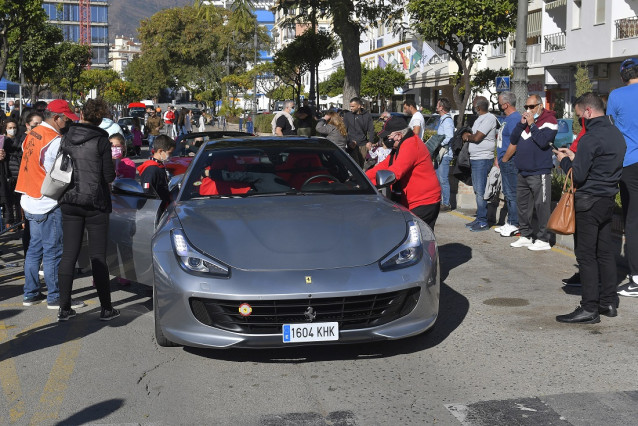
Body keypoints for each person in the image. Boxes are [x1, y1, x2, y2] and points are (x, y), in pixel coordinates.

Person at [554, 93, 625, 323]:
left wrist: (564, 160)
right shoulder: (616, 134)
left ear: (587, 111)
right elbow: (600, 163)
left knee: (586, 256)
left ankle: (589, 308)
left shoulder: (590, 137)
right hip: (607, 200)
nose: (579, 121)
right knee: (605, 253)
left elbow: (579, 175)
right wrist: (577, 155)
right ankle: (608, 302)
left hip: (588, 202)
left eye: (579, 116)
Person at [16, 100, 84, 309]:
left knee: (34, 249)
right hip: (46, 201)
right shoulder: (54, 140)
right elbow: (58, 173)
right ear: (56, 117)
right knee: (53, 251)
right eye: (66, 119)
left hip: (29, 198)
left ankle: (30, 293)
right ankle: (55, 297)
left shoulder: (32, 133)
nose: (67, 123)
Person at [56, 98, 118, 321]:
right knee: (97, 256)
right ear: (101, 118)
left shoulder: (67, 136)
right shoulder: (102, 141)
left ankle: (63, 308)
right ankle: (106, 308)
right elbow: (108, 176)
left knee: (69, 254)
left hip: (69, 200)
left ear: (81, 114)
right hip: (95, 203)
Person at [365, 116, 442, 230]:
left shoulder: (410, 144)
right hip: (413, 201)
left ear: (398, 135)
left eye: (388, 136)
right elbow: (384, 165)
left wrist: (375, 181)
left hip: (423, 202)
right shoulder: (400, 146)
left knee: (417, 238)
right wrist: (363, 178)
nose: (386, 140)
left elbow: (396, 172)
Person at [505, 94, 557, 250]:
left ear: (540, 106)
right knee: (523, 206)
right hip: (523, 170)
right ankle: (526, 235)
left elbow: (543, 142)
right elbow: (513, 139)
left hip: (539, 170)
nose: (528, 110)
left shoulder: (550, 121)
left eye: (532, 107)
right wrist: (522, 124)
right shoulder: (525, 122)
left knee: (542, 206)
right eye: (526, 107)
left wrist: (532, 124)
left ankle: (544, 239)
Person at [607, 57, 638, 296]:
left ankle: (636, 279)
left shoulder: (617, 96)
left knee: (632, 220)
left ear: (622, 76)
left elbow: (611, 131)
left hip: (629, 164)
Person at [462, 96, 498, 232]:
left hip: (483, 159)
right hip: (476, 158)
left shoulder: (489, 118)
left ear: (478, 107)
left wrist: (467, 136)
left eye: (473, 105)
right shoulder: (479, 118)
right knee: (477, 190)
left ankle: (483, 221)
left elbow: (477, 137)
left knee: (480, 191)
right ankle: (479, 218)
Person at [493, 91, 522, 237]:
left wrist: (505, 158)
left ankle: (515, 223)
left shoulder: (515, 119)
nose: (498, 104)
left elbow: (514, 142)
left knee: (511, 193)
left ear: (506, 104)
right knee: (508, 193)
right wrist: (498, 157)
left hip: (510, 162)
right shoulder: (508, 118)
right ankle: (510, 222)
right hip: (504, 160)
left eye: (499, 102)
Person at [137, 135, 175, 207]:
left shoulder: (159, 166)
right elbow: (147, 192)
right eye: (170, 153)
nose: (171, 156)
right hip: (156, 208)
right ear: (160, 151)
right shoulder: (151, 169)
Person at [434, 98, 455, 212]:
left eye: (438, 105)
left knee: (443, 179)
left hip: (445, 154)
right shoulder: (443, 119)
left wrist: (439, 143)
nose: (436, 107)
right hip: (440, 154)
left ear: (441, 107)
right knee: (438, 178)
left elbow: (449, 136)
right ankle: (441, 201)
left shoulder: (447, 120)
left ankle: (446, 203)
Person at [343, 97, 375, 167]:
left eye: (353, 106)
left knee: (362, 165)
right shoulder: (348, 116)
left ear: (359, 106)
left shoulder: (367, 116)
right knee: (355, 166)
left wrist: (370, 141)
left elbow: (371, 130)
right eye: (350, 106)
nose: (351, 108)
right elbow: (344, 131)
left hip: (363, 144)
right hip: (352, 145)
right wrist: (348, 142)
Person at [0, 120, 18, 229]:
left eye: (14, 127)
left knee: (9, 199)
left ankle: (10, 222)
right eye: (10, 127)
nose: (12, 130)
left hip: (9, 173)